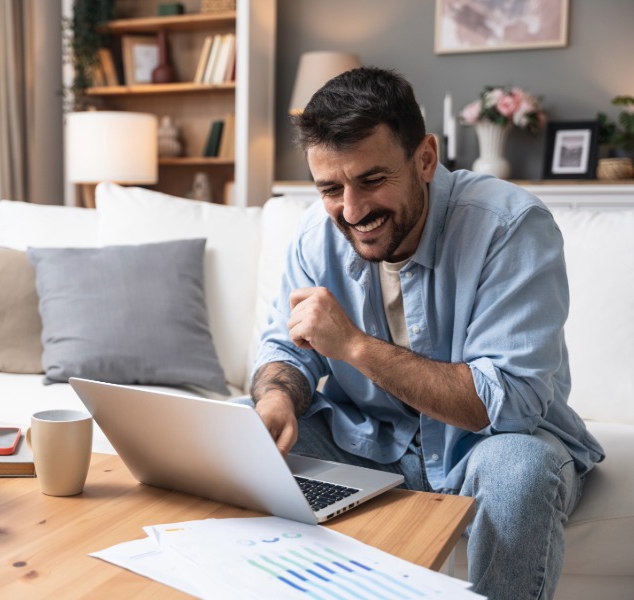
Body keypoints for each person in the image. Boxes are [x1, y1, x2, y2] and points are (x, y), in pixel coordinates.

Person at [250, 66, 604, 600]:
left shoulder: (509, 227)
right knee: (235, 434)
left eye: (372, 180)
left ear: (425, 159)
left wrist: (354, 346)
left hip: (489, 444)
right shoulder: (314, 235)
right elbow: (286, 349)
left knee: (519, 472)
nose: (352, 211)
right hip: (368, 442)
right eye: (330, 188)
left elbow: (507, 402)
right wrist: (276, 395)